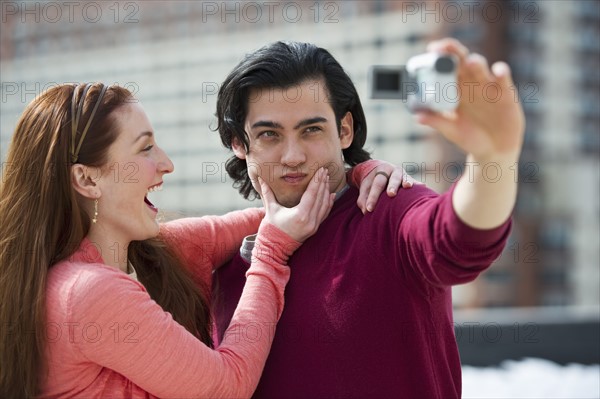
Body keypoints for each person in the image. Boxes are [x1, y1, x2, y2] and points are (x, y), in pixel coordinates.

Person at [0, 83, 402, 398]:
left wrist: (356, 174)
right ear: (87, 179)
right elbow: (227, 386)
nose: (166, 164)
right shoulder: (88, 293)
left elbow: (281, 216)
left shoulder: (147, 254)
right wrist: (272, 252)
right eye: (145, 149)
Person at [212, 38, 525, 398]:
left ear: (344, 130)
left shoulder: (386, 208)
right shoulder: (224, 259)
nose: (293, 156)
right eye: (269, 135)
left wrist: (493, 158)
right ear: (238, 142)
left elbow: (457, 240)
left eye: (311, 130)